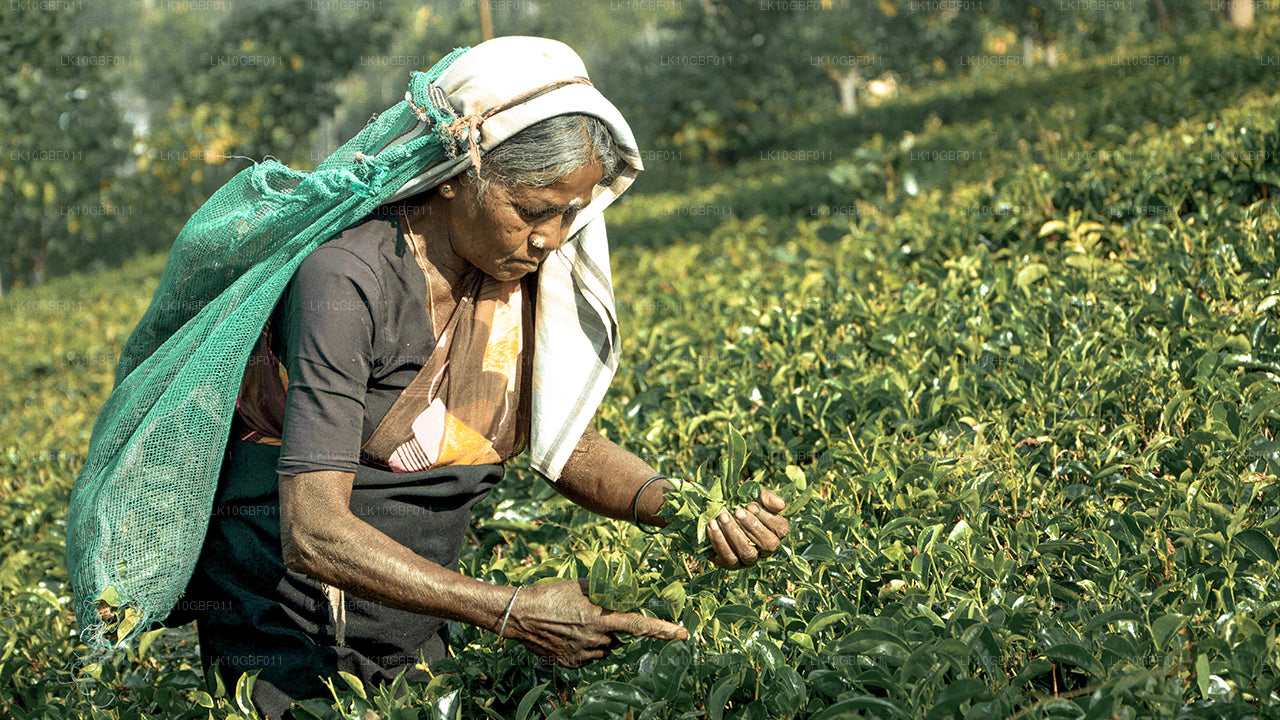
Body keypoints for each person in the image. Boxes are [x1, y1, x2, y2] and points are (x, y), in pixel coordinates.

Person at [183, 37, 790, 719]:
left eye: (569, 213)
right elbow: (314, 530)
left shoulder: (520, 272)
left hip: (415, 605)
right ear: (454, 174)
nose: (550, 238)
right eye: (531, 211)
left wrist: (697, 514)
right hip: (284, 622)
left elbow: (569, 448)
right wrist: (510, 610)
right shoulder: (347, 278)